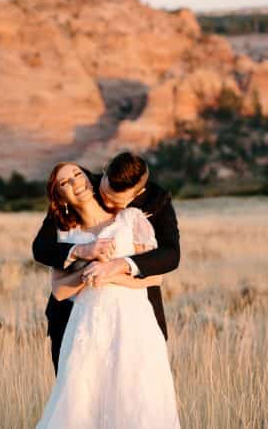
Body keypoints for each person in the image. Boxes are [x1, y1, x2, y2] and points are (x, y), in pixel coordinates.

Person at [34, 160, 180, 428]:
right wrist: (88, 267)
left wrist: (112, 271)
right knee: (82, 405)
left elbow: (158, 272)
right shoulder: (66, 232)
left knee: (138, 403)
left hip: (134, 325)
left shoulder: (132, 219)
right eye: (65, 182)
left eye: (77, 174)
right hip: (86, 327)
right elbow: (58, 286)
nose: (76, 181)